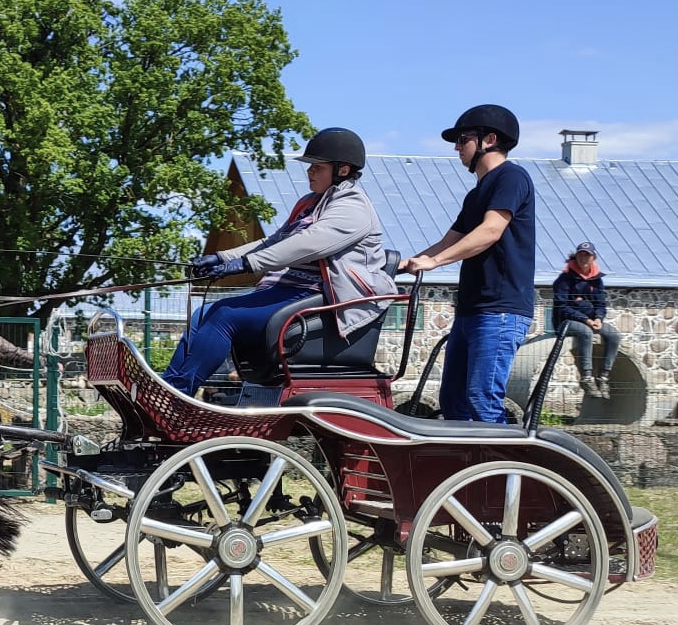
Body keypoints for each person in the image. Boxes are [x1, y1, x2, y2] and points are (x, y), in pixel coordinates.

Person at [161, 127, 393, 396]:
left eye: (317, 167)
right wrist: (223, 257)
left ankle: (177, 394)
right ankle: (168, 388)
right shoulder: (312, 203)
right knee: (204, 312)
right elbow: (276, 240)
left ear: (342, 170)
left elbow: (306, 244)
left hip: (322, 299)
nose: (309, 172)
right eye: (310, 167)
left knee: (224, 315)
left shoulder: (353, 206)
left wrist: (248, 264)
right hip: (291, 292)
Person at [400, 104, 535, 423]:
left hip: (500, 310)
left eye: (463, 139)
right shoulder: (476, 194)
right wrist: (407, 262)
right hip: (472, 310)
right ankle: (468, 470)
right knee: (454, 400)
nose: (457, 147)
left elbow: (490, 231)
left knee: (481, 397)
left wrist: (434, 262)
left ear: (489, 139)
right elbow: (450, 239)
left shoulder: (512, 177)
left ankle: (504, 471)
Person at [552, 240, 620, 399]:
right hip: (565, 322)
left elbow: (600, 304)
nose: (584, 258)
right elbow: (563, 306)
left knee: (614, 335)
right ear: (575, 257)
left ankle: (603, 377)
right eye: (581, 255)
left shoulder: (596, 279)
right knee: (586, 333)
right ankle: (587, 378)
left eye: (587, 255)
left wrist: (598, 318)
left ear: (593, 257)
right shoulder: (564, 279)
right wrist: (585, 319)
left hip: (591, 320)